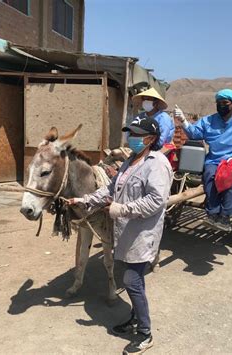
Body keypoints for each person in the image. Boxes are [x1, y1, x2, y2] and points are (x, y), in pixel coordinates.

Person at [69, 117, 173, 355]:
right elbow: (110, 188)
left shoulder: (156, 163)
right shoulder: (130, 161)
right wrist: (84, 200)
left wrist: (121, 209)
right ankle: (135, 320)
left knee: (131, 281)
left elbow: (156, 201)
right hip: (125, 231)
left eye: (137, 134)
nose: (131, 138)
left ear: (151, 139)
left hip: (142, 232)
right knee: (135, 278)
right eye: (130, 133)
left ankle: (145, 334)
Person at [174, 89, 232, 232]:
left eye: (225, 103)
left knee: (228, 179)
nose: (221, 105)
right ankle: (213, 214)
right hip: (214, 160)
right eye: (219, 103)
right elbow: (194, 134)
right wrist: (183, 121)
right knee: (209, 176)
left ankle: (225, 218)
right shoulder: (209, 120)